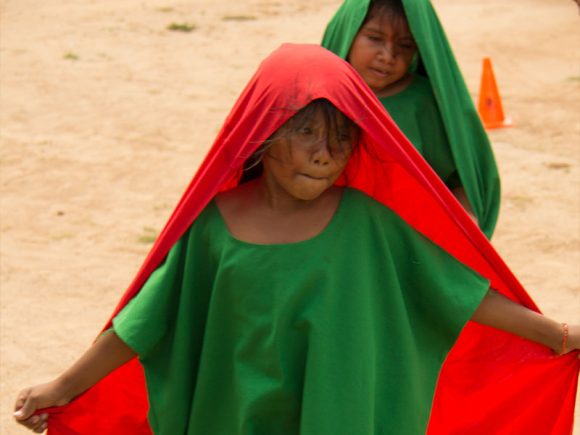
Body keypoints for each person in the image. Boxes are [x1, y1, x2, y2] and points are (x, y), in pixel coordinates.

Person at [13, 44, 579, 435]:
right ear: (261, 135)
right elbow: (144, 322)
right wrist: (61, 386)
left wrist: (556, 334)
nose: (324, 152)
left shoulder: (367, 223)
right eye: (304, 130)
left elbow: (458, 291)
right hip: (231, 420)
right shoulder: (213, 226)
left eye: (340, 136)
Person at [322, 0, 501, 238]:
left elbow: (459, 182)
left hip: (407, 240)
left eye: (405, 45)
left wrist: (464, 223)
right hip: (338, 238)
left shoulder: (423, 103)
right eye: (374, 38)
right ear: (347, 31)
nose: (388, 56)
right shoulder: (321, 98)